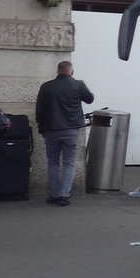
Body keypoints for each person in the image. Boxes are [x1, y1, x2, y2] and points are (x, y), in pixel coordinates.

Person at [35, 60, 95, 206]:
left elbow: (39, 110)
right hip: (71, 130)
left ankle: (55, 194)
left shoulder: (46, 86)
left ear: (57, 71)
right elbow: (90, 99)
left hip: (51, 130)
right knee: (69, 163)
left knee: (53, 163)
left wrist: (42, 128)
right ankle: (64, 195)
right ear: (71, 72)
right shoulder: (78, 85)